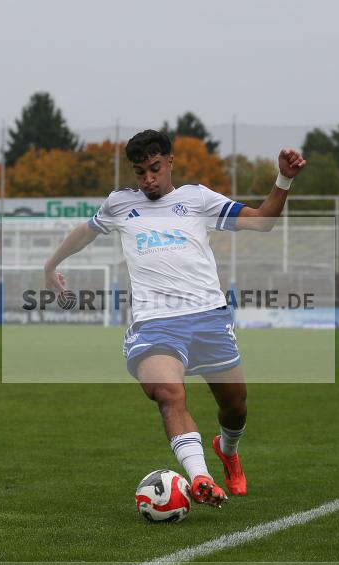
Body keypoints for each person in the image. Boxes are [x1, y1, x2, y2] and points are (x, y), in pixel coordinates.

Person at [45, 130, 305, 508]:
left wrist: (283, 179)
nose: (148, 179)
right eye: (140, 172)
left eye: (154, 168)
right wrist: (50, 265)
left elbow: (262, 221)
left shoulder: (197, 198)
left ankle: (227, 450)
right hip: (155, 323)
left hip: (208, 318)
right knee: (169, 393)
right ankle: (200, 478)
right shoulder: (120, 204)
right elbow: (85, 232)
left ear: (169, 161)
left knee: (235, 407)